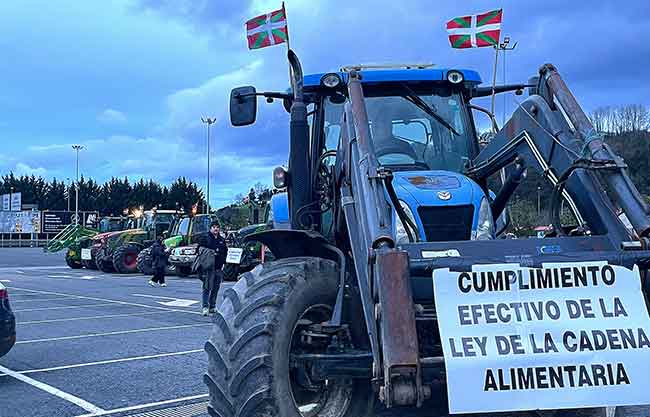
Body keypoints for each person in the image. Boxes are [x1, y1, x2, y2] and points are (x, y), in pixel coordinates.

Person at [197, 220, 227, 316]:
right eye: (214, 227)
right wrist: (211, 253)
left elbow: (225, 252)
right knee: (207, 287)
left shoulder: (221, 240)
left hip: (218, 267)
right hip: (208, 267)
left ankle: (212, 306)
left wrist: (223, 262)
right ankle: (205, 307)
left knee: (215, 288)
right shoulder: (205, 238)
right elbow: (199, 250)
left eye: (217, 227)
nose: (216, 229)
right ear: (210, 228)